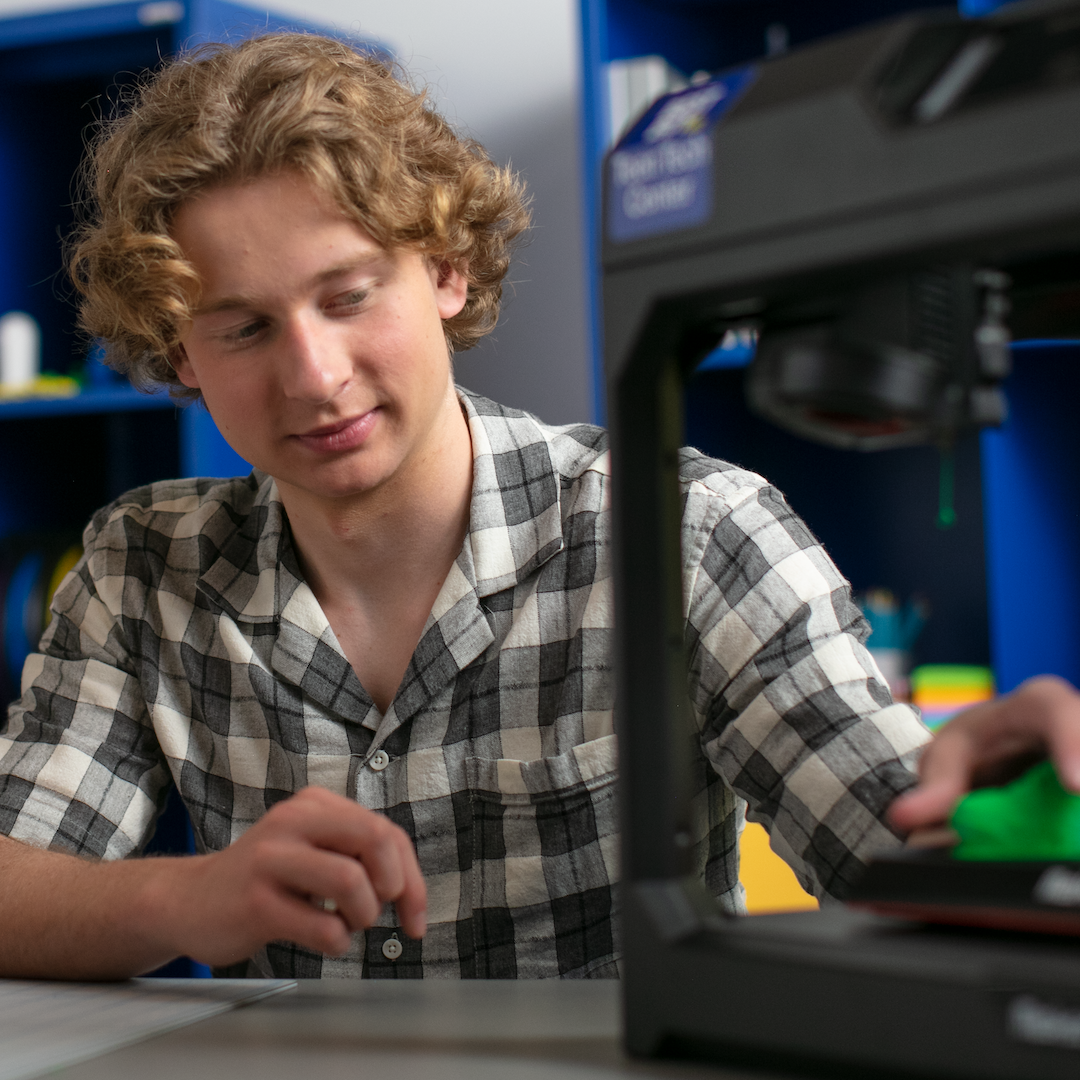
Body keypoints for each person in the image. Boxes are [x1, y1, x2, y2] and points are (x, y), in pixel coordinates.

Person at [0, 32, 1078, 981]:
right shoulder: (142, 565)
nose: (314, 376)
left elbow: (899, 852)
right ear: (177, 355)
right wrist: (187, 900)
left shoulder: (693, 531)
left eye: (348, 295)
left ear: (447, 271)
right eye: (241, 328)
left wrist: (1012, 819)